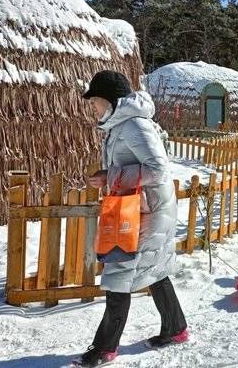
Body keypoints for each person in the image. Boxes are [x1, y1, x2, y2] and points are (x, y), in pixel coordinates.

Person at [75, 71, 188, 367]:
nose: (94, 108)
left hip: (146, 213)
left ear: (113, 102)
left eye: (97, 102)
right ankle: (176, 329)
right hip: (141, 209)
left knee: (119, 277)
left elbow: (158, 170)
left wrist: (110, 175)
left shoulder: (135, 126)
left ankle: (104, 348)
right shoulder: (121, 126)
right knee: (154, 270)